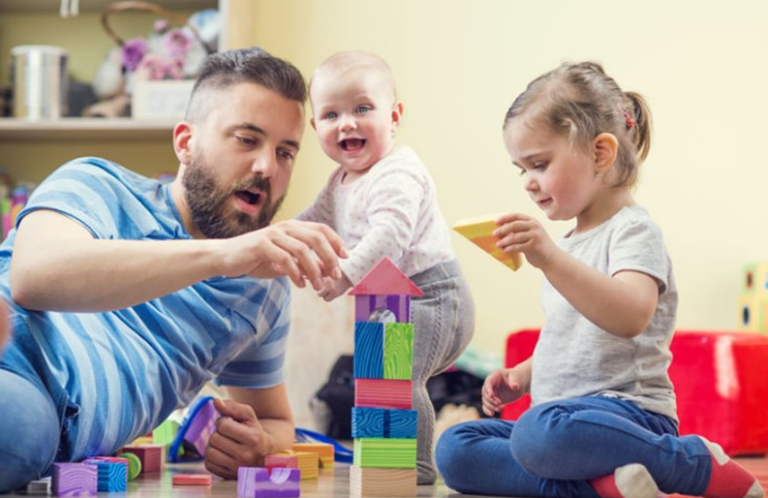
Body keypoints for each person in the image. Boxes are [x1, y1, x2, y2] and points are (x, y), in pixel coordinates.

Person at [0, 48, 348, 493]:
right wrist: (222, 255)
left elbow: (276, 420)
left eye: (285, 152)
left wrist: (258, 443)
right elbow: (34, 277)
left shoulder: (262, 287)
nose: (267, 167)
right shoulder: (97, 183)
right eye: (246, 139)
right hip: (12, 349)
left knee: (24, 432)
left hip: (45, 422)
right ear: (185, 142)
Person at [435, 62, 764, 498]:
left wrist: (549, 257)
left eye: (539, 164)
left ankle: (690, 463)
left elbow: (630, 315)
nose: (529, 184)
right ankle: (604, 487)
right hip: (563, 419)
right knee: (457, 448)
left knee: (538, 433)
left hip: (628, 417)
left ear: (600, 154)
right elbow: (570, 335)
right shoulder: (568, 244)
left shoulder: (632, 230)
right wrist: (523, 376)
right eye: (522, 170)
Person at [297, 50, 475, 485]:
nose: (347, 123)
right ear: (315, 126)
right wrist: (274, 240)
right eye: (331, 114)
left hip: (433, 295)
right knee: (373, 379)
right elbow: (309, 223)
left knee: (399, 376)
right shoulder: (339, 182)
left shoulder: (398, 171)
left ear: (393, 116)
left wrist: (342, 274)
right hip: (385, 296)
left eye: (363, 108)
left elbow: (389, 236)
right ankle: (380, 459)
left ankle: (414, 466)